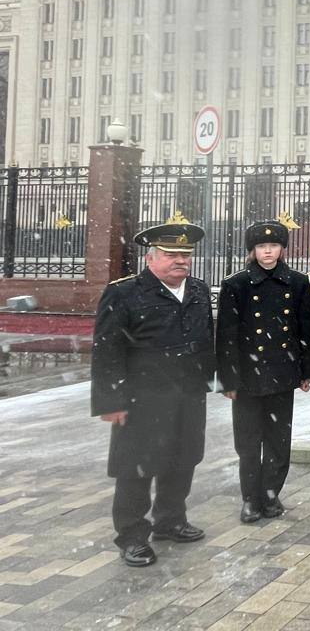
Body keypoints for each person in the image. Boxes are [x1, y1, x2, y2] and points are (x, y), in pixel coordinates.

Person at [91, 216, 215, 567]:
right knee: (137, 467)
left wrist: (210, 379)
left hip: (188, 394)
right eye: (171, 254)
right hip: (142, 398)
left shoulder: (198, 290)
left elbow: (206, 337)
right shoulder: (124, 292)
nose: (181, 261)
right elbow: (107, 350)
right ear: (150, 258)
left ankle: (170, 520)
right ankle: (132, 536)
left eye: (185, 254)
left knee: (183, 458)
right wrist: (111, 400)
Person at [217, 220, 310, 524]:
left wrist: (307, 370)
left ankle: (271, 494)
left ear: (282, 249)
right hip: (248, 377)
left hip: (282, 372)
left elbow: (306, 328)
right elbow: (226, 336)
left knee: (278, 440)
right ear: (253, 250)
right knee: (248, 442)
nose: (268, 251)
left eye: (273, 246)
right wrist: (228, 380)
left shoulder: (297, 282)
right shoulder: (236, 284)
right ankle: (250, 498)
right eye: (261, 246)